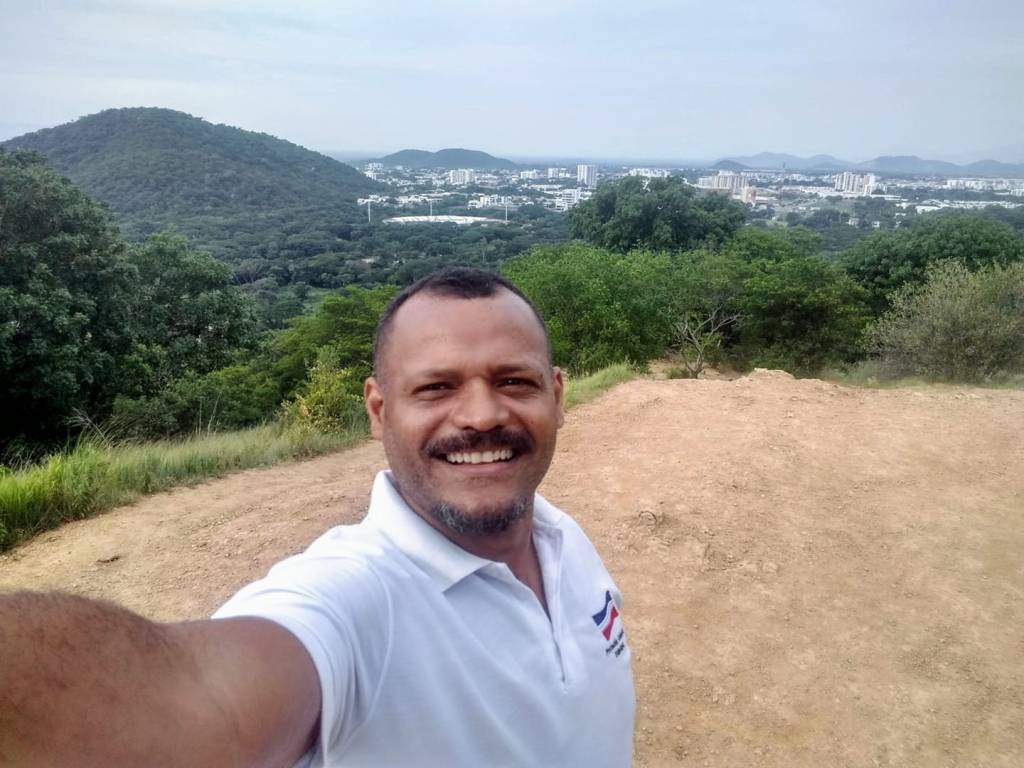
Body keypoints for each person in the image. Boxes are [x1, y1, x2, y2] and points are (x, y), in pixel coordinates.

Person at [0, 267, 635, 767]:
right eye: (436, 388)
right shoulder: (352, 602)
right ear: (379, 409)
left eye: (514, 382)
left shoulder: (562, 537)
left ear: (556, 395)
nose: (480, 416)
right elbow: (194, 704)